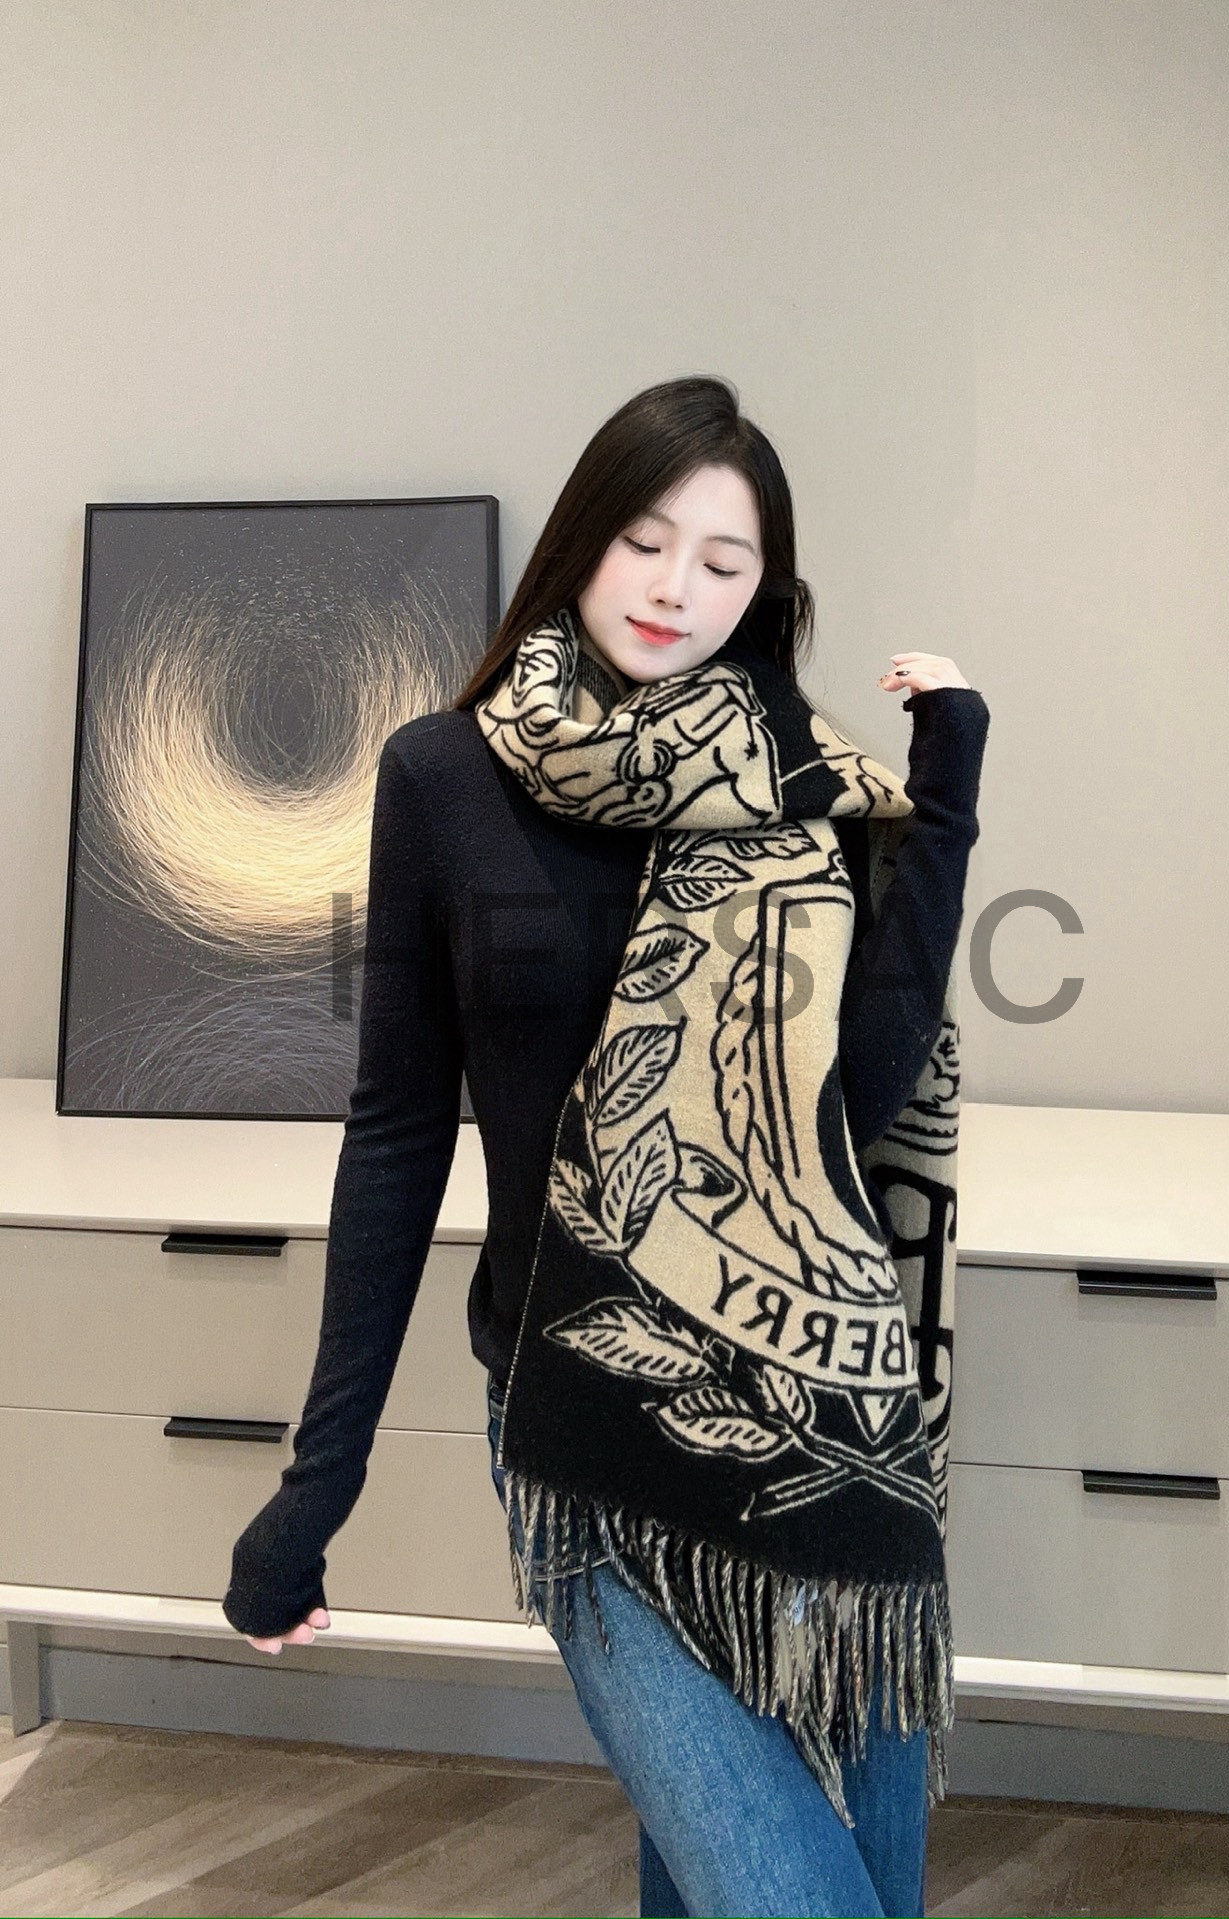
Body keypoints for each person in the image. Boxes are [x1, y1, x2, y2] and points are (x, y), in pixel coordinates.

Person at [222, 375, 990, 1917]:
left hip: (821, 1432)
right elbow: (397, 1135)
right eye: (645, 539)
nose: (675, 587)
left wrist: (948, 792)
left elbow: (861, 1097)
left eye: (723, 560)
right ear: (582, 539)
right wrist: (318, 1484)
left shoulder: (813, 789)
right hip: (583, 1424)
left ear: (765, 588)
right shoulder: (442, 777)